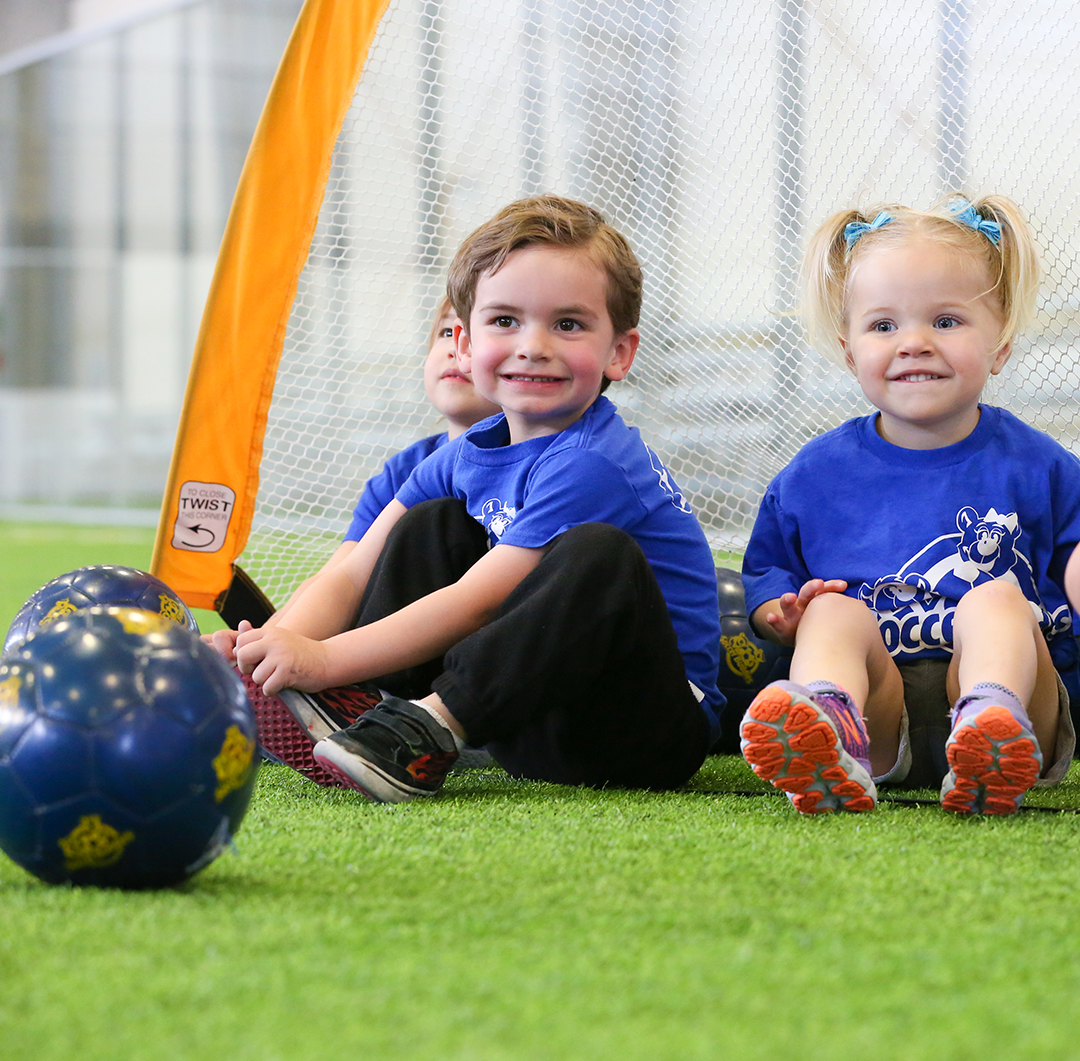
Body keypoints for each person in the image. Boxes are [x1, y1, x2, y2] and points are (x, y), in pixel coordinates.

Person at [214, 194, 723, 802]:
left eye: (568, 324)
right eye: (505, 320)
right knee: (432, 523)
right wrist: (267, 659)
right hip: (527, 713)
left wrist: (322, 659)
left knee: (598, 552)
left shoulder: (593, 463)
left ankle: (426, 727)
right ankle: (363, 709)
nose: (533, 345)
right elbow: (353, 570)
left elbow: (477, 604)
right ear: (462, 342)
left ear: (619, 352)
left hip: (636, 730)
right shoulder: (463, 453)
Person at [738, 194, 1080, 816]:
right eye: (883, 326)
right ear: (850, 352)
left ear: (1001, 345)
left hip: (1016, 702)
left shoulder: (1039, 464)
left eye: (946, 321)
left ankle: (990, 728)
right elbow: (768, 577)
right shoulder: (813, 475)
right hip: (881, 708)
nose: (914, 343)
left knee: (997, 598)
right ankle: (828, 729)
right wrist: (780, 615)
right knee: (831, 611)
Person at [238, 295, 500, 782]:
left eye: (480, 334)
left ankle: (417, 718)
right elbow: (341, 576)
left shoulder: (543, 466)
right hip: (379, 663)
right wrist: (259, 651)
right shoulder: (406, 469)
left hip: (473, 675)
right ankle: (334, 706)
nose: (455, 348)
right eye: (446, 333)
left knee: (433, 520)